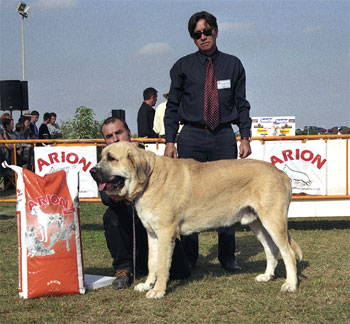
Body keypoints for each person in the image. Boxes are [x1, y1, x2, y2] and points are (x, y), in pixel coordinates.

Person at [164, 11, 252, 273]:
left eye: (206, 31)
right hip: (190, 135)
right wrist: (170, 141)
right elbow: (172, 107)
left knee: (229, 195)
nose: (203, 37)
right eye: (197, 34)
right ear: (192, 38)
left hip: (224, 135)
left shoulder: (233, 65)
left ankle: (228, 257)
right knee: (187, 197)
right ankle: (190, 257)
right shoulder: (182, 66)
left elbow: (242, 104)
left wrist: (245, 136)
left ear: (216, 31)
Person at [100, 117, 191, 289]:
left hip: (156, 220)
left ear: (128, 133)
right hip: (127, 222)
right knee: (111, 217)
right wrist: (119, 196)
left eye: (119, 132)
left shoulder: (146, 158)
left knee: (182, 271)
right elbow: (104, 196)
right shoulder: (107, 161)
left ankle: (149, 266)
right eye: (109, 136)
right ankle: (123, 269)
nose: (115, 138)